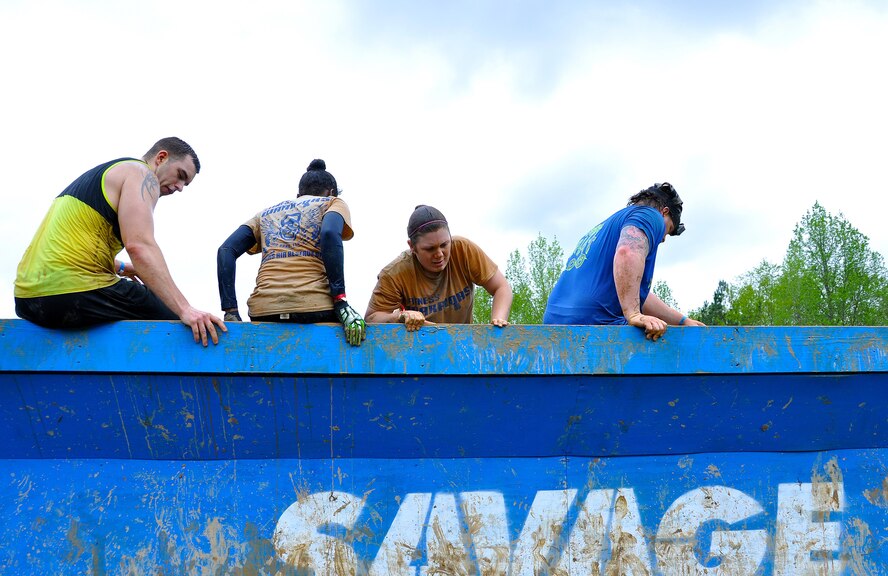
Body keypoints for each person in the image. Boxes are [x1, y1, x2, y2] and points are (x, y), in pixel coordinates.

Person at [14, 137, 226, 346]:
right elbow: (139, 245)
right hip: (68, 293)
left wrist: (123, 267)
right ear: (161, 158)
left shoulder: (108, 174)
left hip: (27, 299)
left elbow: (66, 248)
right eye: (180, 176)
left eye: (185, 184)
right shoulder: (142, 174)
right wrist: (185, 309)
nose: (180, 187)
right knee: (174, 316)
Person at [216, 159, 366, 346]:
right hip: (314, 308)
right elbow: (329, 233)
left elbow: (226, 250)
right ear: (331, 192)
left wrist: (230, 311)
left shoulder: (265, 214)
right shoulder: (332, 203)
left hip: (263, 311)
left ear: (298, 194)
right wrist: (340, 300)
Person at [543, 182, 704, 340]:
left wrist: (683, 321)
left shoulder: (607, 226)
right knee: (665, 346)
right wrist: (633, 314)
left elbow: (636, 292)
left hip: (552, 326)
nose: (662, 238)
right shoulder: (651, 215)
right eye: (668, 230)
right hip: (593, 323)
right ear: (664, 212)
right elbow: (627, 252)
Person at [365, 205, 512, 331]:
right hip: (418, 349)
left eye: (444, 245)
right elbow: (372, 318)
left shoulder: (464, 250)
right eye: (430, 249)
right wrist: (400, 316)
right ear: (412, 247)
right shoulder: (395, 273)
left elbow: (501, 287)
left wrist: (498, 322)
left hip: (461, 344)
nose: (439, 254)